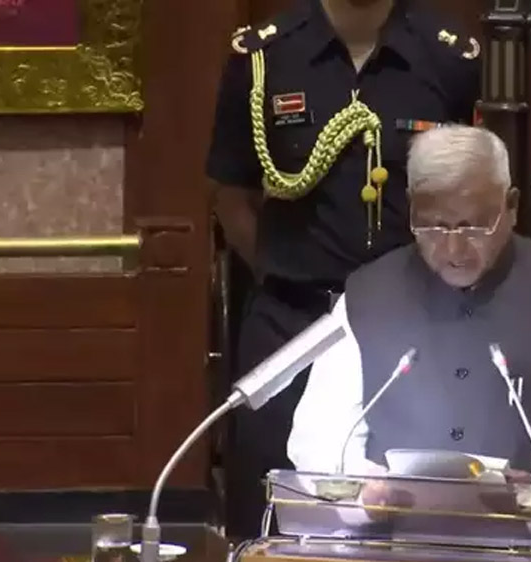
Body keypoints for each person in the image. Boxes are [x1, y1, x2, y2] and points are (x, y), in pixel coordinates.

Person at [204, 0, 481, 537]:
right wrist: (280, 268)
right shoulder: (262, 56)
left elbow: (473, 192)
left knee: (403, 510)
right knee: (268, 510)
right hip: (293, 322)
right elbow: (231, 196)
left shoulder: (450, 57)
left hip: (410, 327)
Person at [286, 125, 531, 511]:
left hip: (530, 536)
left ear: (511, 206)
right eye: (433, 226)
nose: (454, 248)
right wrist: (367, 488)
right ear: (411, 208)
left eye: (473, 226)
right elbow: (321, 432)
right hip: (389, 535)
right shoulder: (367, 297)